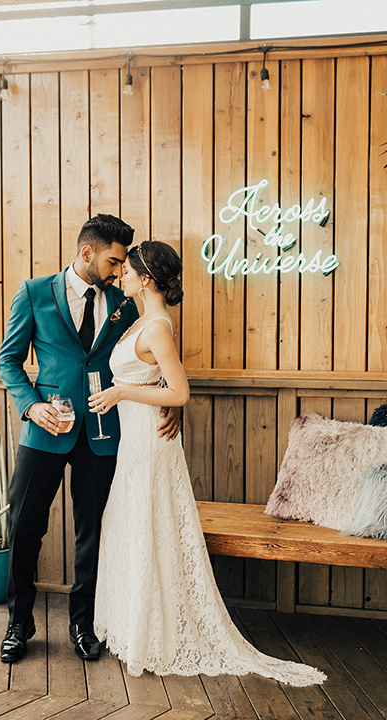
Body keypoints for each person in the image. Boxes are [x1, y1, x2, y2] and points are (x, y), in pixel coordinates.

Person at [89, 241, 327, 686]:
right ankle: (132, 626)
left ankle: (152, 635)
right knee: (136, 528)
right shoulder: (141, 318)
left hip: (150, 447)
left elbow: (180, 393)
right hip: (136, 444)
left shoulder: (157, 325)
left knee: (148, 528)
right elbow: (161, 383)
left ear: (145, 279)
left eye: (128, 271)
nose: (120, 276)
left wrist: (121, 392)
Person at [0, 215, 179, 664]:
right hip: (45, 429)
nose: (120, 271)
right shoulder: (34, 293)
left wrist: (170, 401)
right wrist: (32, 405)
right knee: (24, 528)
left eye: (124, 265)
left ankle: (84, 622)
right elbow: (8, 360)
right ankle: (19, 622)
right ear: (87, 253)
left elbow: (153, 360)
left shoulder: (125, 301)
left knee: (94, 532)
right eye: (114, 261)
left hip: (104, 433)